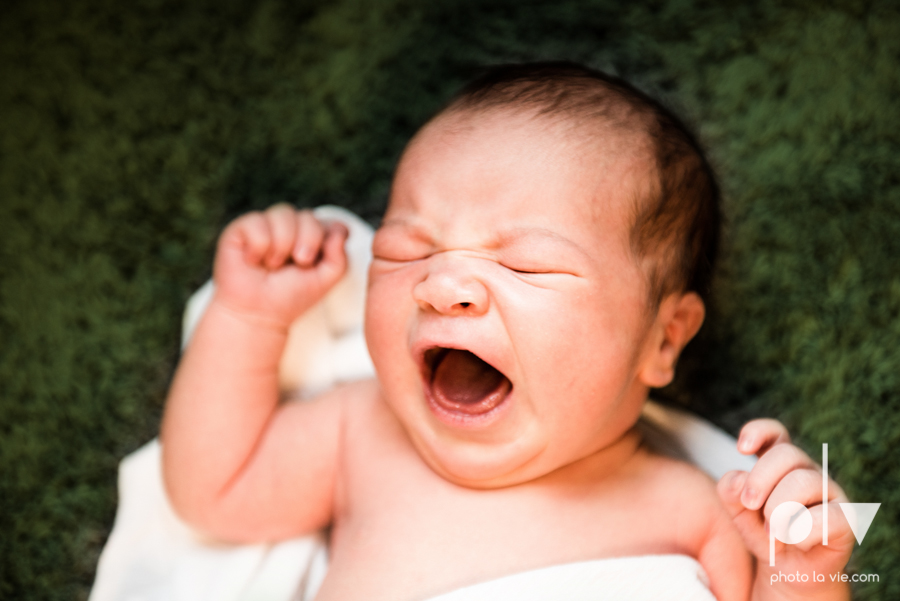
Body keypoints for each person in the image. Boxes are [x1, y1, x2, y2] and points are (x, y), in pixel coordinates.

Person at [161, 63, 854, 600]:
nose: (442, 284)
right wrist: (247, 317)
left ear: (663, 339)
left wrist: (803, 568)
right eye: (407, 250)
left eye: (527, 262)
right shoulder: (361, 435)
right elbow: (214, 488)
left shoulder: (689, 506)